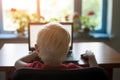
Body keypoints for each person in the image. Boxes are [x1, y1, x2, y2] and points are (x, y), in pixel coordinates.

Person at [15, 22, 98, 69]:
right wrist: (91, 57)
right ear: (67, 50)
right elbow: (96, 73)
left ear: (37, 48)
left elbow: (17, 63)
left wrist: (37, 52)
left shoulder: (34, 67)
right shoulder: (73, 69)